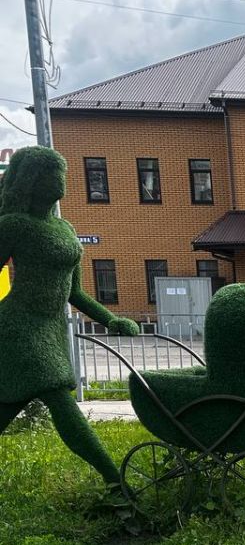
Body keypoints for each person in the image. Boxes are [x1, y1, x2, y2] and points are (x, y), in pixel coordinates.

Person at [0, 146, 140, 487]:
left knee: (12, 401)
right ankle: (115, 482)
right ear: (32, 179)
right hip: (19, 324)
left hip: (51, 327)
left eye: (61, 172)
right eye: (52, 173)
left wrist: (110, 320)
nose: (61, 179)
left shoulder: (65, 228)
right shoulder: (14, 225)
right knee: (58, 395)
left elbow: (75, 292)